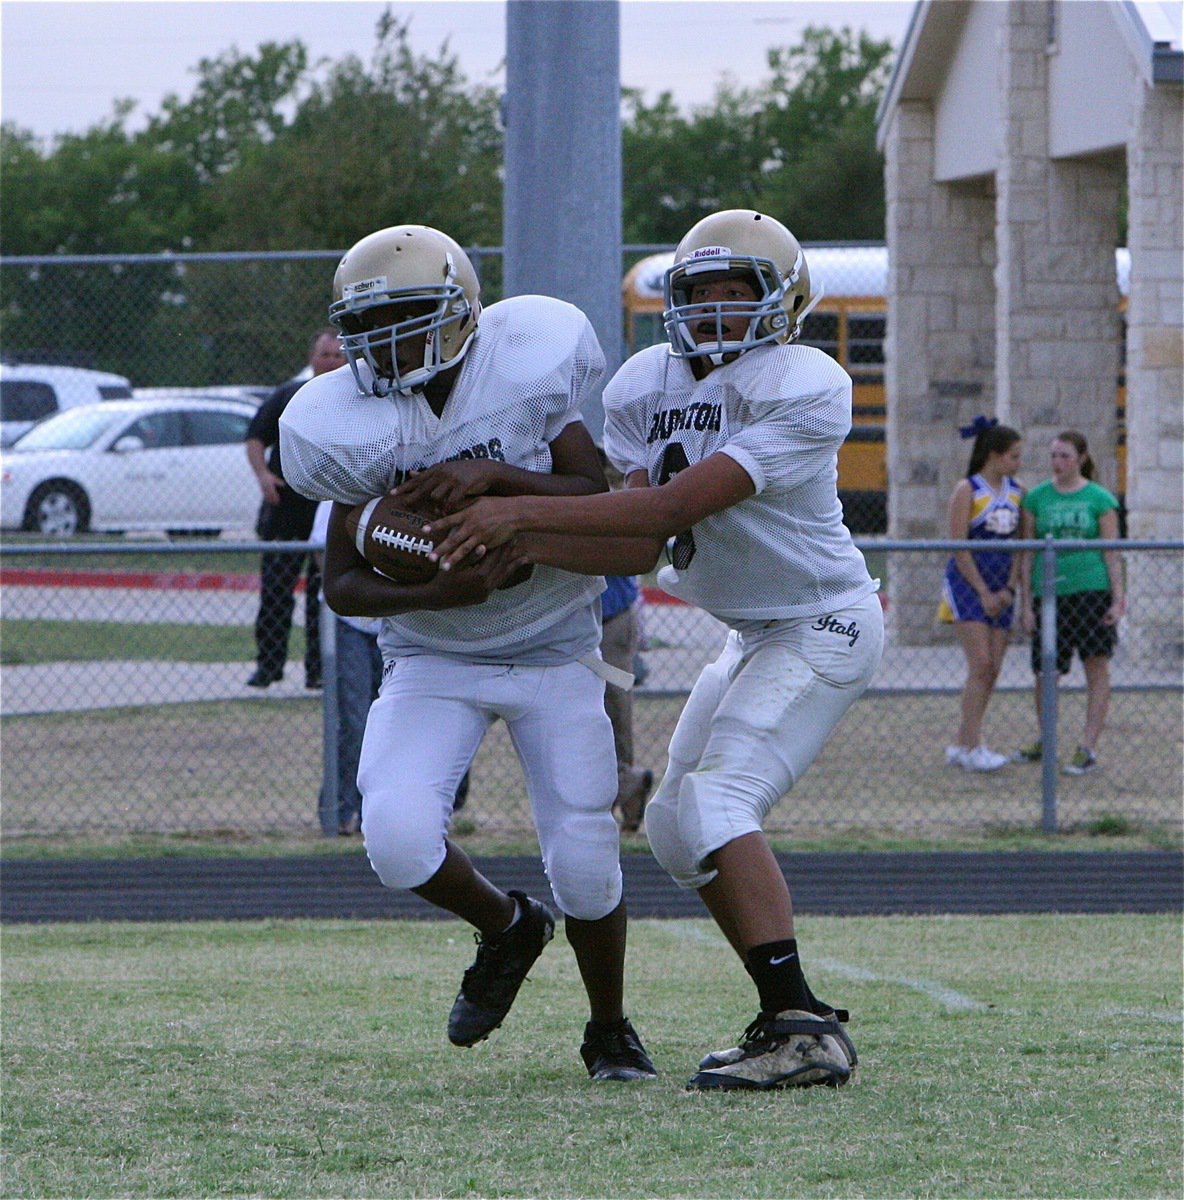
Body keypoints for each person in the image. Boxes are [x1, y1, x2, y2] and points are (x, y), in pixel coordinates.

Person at [426, 209, 884, 1091]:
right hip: (755, 630)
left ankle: (801, 1031)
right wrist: (516, 546)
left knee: (716, 805)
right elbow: (634, 546)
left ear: (782, 302)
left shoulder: (806, 379)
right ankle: (790, 1011)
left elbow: (670, 512)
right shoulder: (647, 382)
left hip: (822, 620)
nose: (714, 309)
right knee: (675, 829)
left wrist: (516, 512)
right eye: (699, 291)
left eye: (735, 290)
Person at [278, 224, 656, 1083]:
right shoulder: (353, 425)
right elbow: (341, 582)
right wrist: (436, 592)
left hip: (556, 648)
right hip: (433, 657)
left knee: (587, 861)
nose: (390, 343)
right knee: (399, 839)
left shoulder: (521, 376)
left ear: (459, 313)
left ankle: (609, 1029)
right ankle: (507, 926)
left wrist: (495, 485)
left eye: (411, 317)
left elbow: (595, 496)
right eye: (371, 326)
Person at [1016, 430, 1124, 774]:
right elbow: (1027, 556)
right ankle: (1046, 738)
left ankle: (1088, 746)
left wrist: (1118, 598)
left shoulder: (1099, 498)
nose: (1058, 463)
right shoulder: (1036, 498)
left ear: (1080, 458)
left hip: (1090, 590)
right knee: (1046, 670)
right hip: (1049, 594)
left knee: (1096, 665)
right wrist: (1026, 604)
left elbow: (1111, 552)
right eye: (1054, 456)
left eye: (1064, 456)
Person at [245, 328, 345, 689]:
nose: (330, 361)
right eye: (324, 354)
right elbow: (256, 437)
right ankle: (268, 667)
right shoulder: (289, 395)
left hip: (328, 511)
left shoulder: (354, 399)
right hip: (285, 507)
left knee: (324, 596)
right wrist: (263, 476)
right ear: (311, 358)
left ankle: (318, 670)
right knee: (275, 591)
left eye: (337, 355)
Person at [937, 417, 1024, 771]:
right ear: (994, 455)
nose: (1018, 463)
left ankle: (962, 741)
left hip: (1002, 588)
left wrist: (1009, 587)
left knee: (994, 670)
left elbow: (1022, 544)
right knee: (981, 664)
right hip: (969, 586)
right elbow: (960, 545)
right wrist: (983, 591)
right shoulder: (968, 489)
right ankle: (973, 745)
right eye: (1014, 456)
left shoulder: (1018, 492)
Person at [601, 572, 653, 832]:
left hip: (609, 618)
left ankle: (624, 785)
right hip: (589, 618)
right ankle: (625, 784)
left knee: (614, 710)